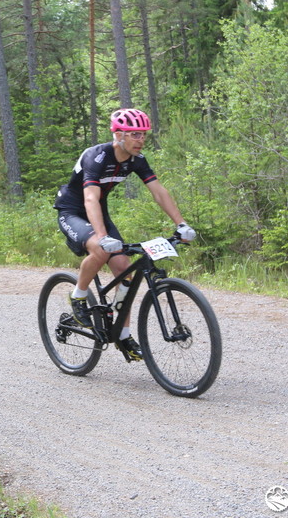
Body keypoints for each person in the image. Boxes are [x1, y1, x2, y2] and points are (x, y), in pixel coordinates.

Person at [53, 108, 196, 361]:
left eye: (143, 134)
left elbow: (159, 192)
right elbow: (89, 198)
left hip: (99, 210)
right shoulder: (95, 157)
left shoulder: (137, 160)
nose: (140, 139)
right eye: (134, 134)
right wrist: (101, 236)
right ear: (118, 135)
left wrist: (181, 224)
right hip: (74, 209)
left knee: (124, 269)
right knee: (99, 247)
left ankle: (123, 336)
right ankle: (78, 297)